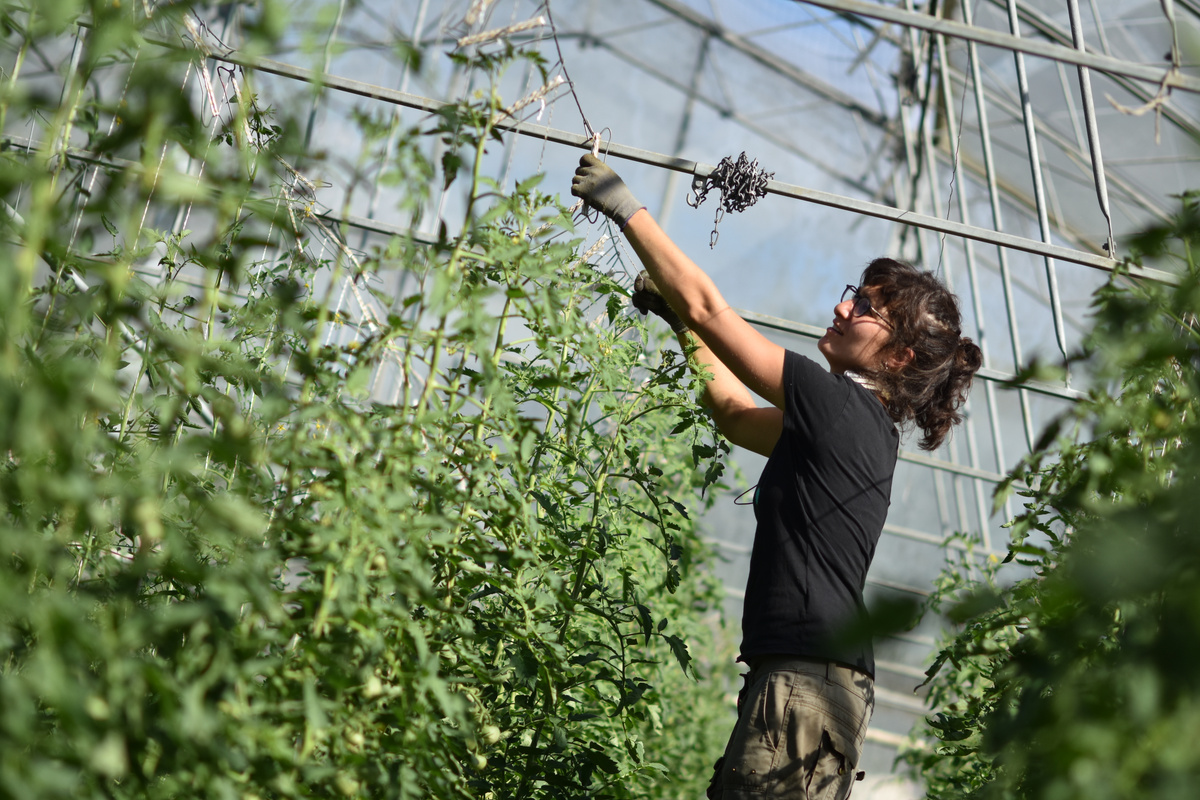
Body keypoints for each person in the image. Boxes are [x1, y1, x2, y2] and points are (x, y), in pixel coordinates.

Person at [571, 154, 983, 800]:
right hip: (809, 687)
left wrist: (628, 211)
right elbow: (734, 416)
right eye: (854, 294)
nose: (843, 307)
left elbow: (711, 307)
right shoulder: (846, 427)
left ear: (900, 355)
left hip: (804, 689)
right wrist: (681, 327)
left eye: (867, 308)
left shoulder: (840, 406)